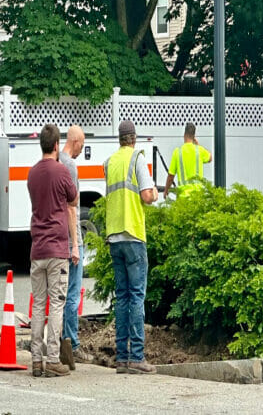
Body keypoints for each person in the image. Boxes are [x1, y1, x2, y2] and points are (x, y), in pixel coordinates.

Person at [104, 120, 159, 374]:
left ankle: (122, 358)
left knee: (123, 296)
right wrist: (156, 194)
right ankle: (137, 356)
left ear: (119, 139)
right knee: (137, 296)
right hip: (134, 234)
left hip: (114, 235)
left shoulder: (110, 162)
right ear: (134, 139)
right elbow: (147, 196)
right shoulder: (137, 157)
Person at [27, 124, 79, 378]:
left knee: (38, 304)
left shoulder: (32, 173)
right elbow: (74, 199)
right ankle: (53, 359)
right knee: (57, 304)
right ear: (57, 145)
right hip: (57, 248)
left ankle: (36, 360)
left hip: (37, 247)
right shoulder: (61, 171)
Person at [59, 125, 94, 367]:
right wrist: (75, 244)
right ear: (76, 141)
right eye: (82, 144)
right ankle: (72, 342)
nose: (82, 149)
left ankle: (60, 340)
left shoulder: (55, 161)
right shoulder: (69, 165)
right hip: (71, 240)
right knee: (73, 293)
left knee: (59, 294)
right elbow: (72, 207)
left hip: (58, 238)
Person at [164, 122, 212, 199]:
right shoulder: (199, 150)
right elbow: (210, 158)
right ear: (194, 137)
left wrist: (166, 190)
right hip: (198, 197)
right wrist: (198, 145)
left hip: (183, 199)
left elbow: (171, 176)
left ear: (184, 135)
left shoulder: (177, 152)